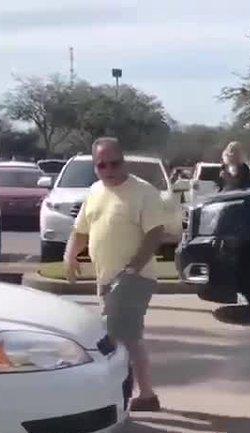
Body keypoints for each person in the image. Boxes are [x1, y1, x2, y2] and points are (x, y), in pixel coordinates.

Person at [63, 137, 166, 412]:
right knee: (128, 338)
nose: (108, 170)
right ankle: (145, 395)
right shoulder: (96, 190)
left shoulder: (143, 192)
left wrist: (132, 268)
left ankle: (125, 395)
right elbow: (81, 229)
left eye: (114, 163)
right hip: (106, 279)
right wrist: (70, 255)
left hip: (134, 277)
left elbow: (155, 232)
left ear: (124, 161)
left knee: (117, 337)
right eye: (101, 165)